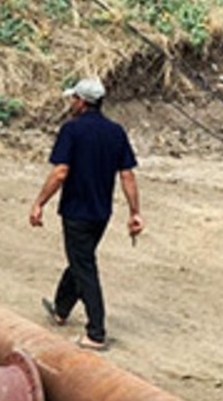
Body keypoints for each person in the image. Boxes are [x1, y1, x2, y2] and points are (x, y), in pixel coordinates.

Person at [29, 77, 144, 351]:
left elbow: (60, 172)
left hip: (76, 211)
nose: (71, 103)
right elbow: (127, 174)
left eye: (73, 99)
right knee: (81, 258)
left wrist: (39, 203)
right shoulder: (116, 132)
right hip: (101, 212)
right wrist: (135, 212)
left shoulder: (71, 130)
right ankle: (61, 308)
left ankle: (96, 332)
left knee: (84, 266)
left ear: (82, 101)